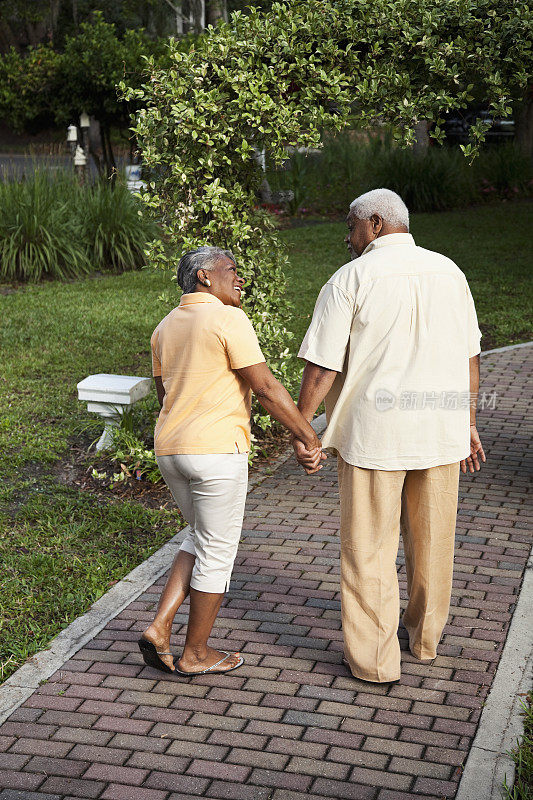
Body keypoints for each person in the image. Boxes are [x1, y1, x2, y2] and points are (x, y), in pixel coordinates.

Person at [292, 188, 485, 683]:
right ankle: (424, 641)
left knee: (369, 550)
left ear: (375, 224)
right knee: (433, 543)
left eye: (351, 226)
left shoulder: (350, 278)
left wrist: (303, 429)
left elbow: (322, 366)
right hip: (441, 434)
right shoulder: (450, 272)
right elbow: (470, 358)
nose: (346, 237)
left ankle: (377, 663)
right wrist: (468, 424)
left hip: (374, 437)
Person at [139, 246, 322, 677]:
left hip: (171, 451)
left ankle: (161, 626)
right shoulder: (228, 318)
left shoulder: (164, 328)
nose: (241, 280)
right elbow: (267, 388)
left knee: (201, 535)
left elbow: (165, 398)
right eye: (232, 271)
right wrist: (308, 436)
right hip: (216, 452)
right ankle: (195, 654)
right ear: (204, 276)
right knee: (218, 552)